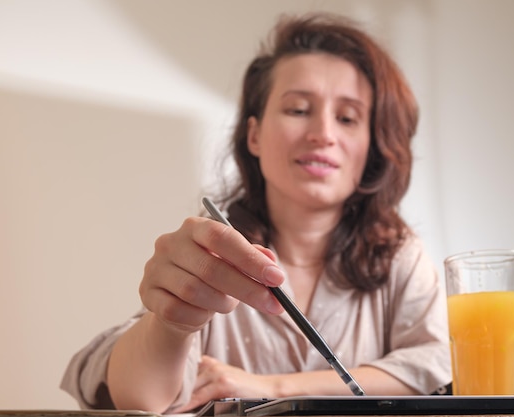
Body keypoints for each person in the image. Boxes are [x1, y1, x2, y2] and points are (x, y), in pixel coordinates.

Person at [61, 12, 452, 414]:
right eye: (298, 109)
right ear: (254, 135)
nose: (323, 133)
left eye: (347, 118)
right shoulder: (210, 253)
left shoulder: (400, 256)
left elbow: (438, 367)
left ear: (371, 146)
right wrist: (170, 324)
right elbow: (137, 396)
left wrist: (271, 387)